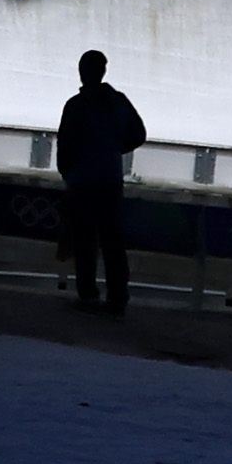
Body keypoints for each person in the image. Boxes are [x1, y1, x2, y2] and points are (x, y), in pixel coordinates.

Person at [53, 48, 143, 314]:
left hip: (82, 182)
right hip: (109, 180)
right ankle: (117, 294)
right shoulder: (117, 102)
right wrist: (114, 150)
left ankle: (88, 293)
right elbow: (138, 133)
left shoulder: (75, 105)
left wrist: (69, 173)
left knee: (85, 241)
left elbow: (65, 145)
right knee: (112, 240)